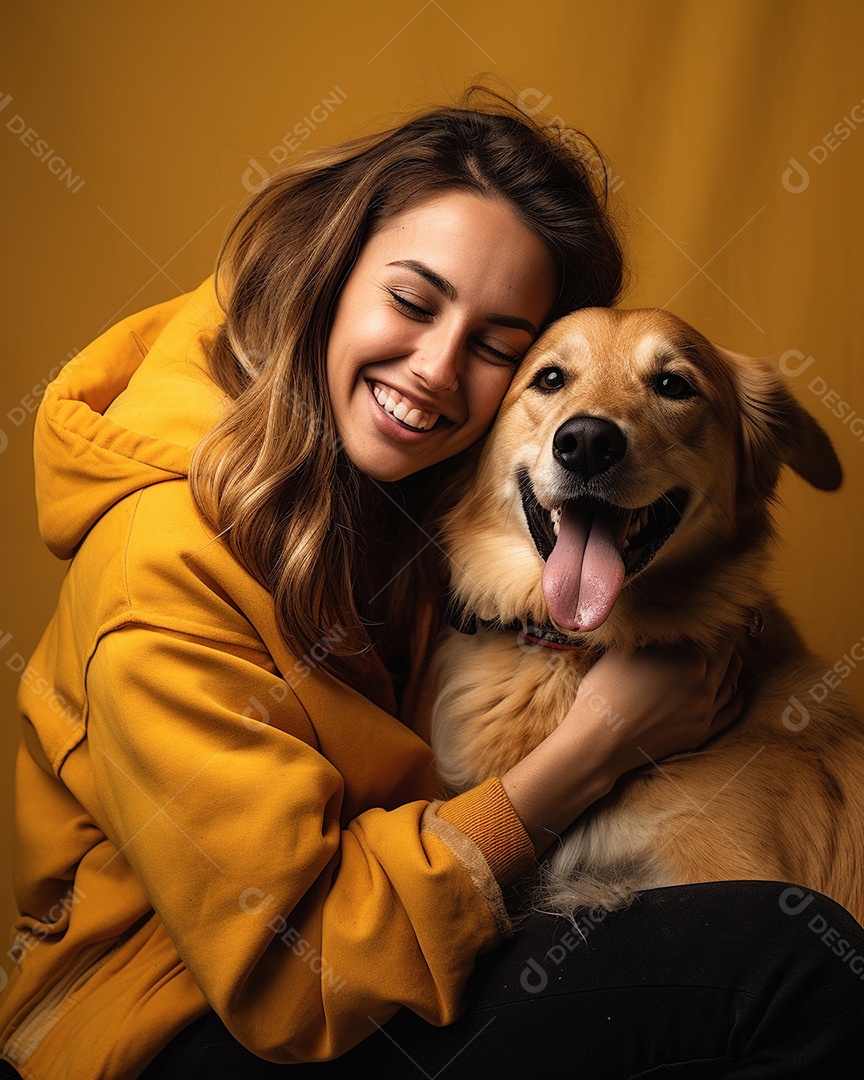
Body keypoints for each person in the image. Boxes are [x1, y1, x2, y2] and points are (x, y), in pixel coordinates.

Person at [1, 89, 863, 1080]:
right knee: (778, 967)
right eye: (413, 302)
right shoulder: (161, 574)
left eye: (502, 344)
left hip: (373, 958)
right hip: (172, 1022)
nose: (438, 368)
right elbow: (298, 978)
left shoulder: (396, 493)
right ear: (326, 280)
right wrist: (596, 743)